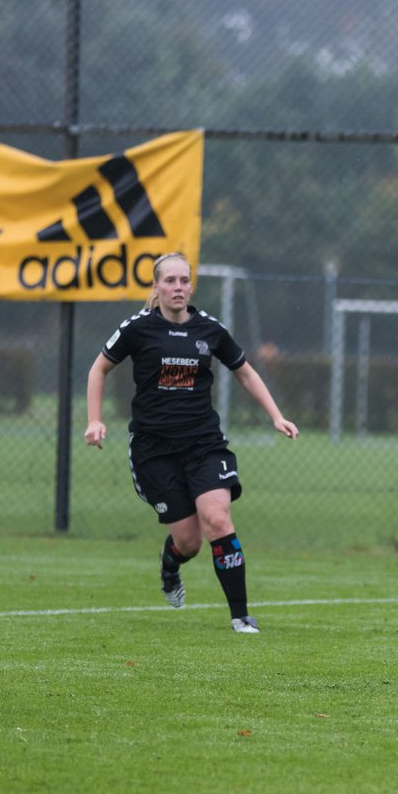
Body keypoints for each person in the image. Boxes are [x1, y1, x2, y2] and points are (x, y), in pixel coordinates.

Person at [84, 252, 298, 633]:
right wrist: (95, 420)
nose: (178, 287)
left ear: (191, 285)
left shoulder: (210, 330)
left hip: (203, 443)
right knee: (189, 542)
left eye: (184, 280)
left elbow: (245, 372)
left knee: (217, 519)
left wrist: (276, 416)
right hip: (154, 450)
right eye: (170, 281)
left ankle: (241, 616)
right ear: (157, 287)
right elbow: (99, 368)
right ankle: (171, 566)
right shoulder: (138, 328)